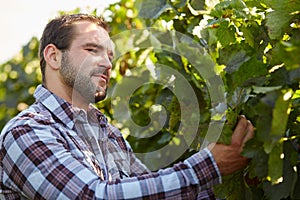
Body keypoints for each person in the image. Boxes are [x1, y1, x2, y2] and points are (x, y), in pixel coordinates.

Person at [0, 13, 254, 199]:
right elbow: (94, 196)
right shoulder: (25, 132)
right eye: (92, 50)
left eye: (110, 55)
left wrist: (232, 177)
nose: (108, 64)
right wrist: (209, 167)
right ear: (54, 56)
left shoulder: (108, 134)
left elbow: (151, 193)